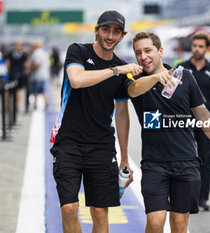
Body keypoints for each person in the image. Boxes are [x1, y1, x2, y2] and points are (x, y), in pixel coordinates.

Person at [49, 10, 143, 233]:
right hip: (68, 143)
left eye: (116, 32)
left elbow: (121, 114)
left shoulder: (122, 68)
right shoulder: (78, 51)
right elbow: (77, 80)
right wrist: (115, 70)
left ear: (122, 36)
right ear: (96, 31)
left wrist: (124, 157)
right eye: (106, 30)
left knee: (100, 212)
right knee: (69, 208)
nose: (110, 36)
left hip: (101, 146)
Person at [127, 31, 210, 233]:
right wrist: (157, 77)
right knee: (155, 222)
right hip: (154, 163)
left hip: (186, 161)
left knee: (179, 225)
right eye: (138, 52)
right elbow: (134, 90)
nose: (143, 56)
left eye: (148, 50)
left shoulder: (185, 77)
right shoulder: (135, 78)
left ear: (160, 51)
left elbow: (202, 114)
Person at [177, 31, 210, 211]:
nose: (196, 49)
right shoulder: (181, 68)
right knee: (186, 158)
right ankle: (187, 196)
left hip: (205, 120)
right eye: (194, 45)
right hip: (183, 120)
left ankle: (202, 197)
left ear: (207, 48)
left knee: (205, 159)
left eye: (200, 46)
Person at [5, 41, 29, 111]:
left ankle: (6, 105)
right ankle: (17, 106)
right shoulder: (23, 54)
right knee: (19, 90)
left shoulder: (10, 53)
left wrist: (8, 71)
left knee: (8, 90)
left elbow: (8, 63)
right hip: (20, 74)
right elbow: (26, 64)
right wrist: (25, 72)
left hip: (12, 73)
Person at [31, 41, 50, 110]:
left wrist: (30, 67)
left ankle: (35, 105)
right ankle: (46, 103)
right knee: (43, 90)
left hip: (38, 75)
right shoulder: (43, 52)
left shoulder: (36, 53)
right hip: (44, 74)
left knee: (35, 91)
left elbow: (37, 63)